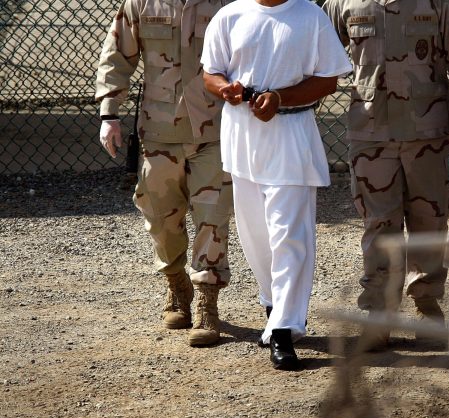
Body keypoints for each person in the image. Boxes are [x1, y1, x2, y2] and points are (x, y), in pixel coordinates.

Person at [200, 0, 352, 370]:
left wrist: (281, 98)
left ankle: (284, 329)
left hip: (291, 138)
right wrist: (226, 90)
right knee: (256, 237)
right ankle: (273, 305)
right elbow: (210, 72)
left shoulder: (309, 15)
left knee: (289, 235)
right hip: (242, 139)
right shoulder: (230, 15)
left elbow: (328, 78)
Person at [322, 0, 449, 350]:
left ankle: (427, 305)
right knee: (378, 224)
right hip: (370, 133)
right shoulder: (342, 3)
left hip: (430, 132)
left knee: (430, 220)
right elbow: (320, 55)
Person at [95, 0, 234, 347]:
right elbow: (118, 54)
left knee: (212, 218)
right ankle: (176, 283)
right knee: (159, 217)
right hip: (159, 132)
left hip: (216, 131)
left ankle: (207, 302)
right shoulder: (141, 3)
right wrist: (109, 113)